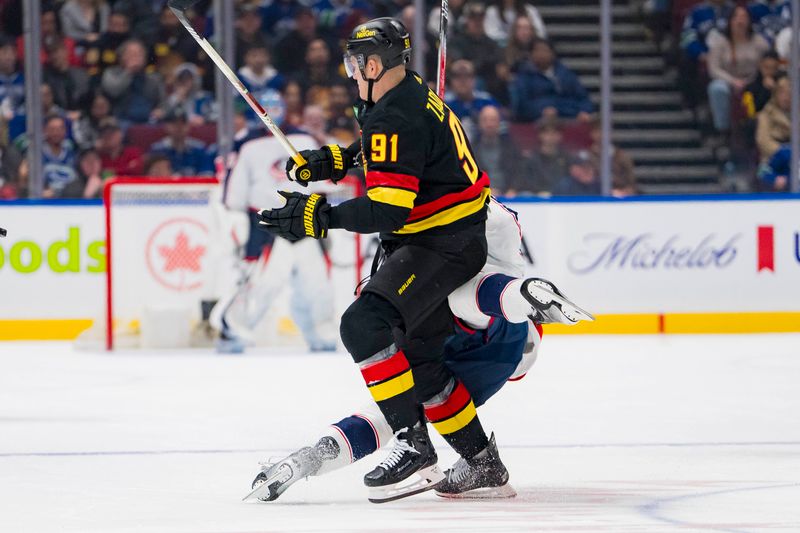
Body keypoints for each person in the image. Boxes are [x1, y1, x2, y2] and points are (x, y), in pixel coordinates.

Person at [260, 18, 501, 503]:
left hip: (440, 243)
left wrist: (318, 216)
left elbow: (389, 208)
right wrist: (338, 161)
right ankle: (481, 462)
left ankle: (414, 446)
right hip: (451, 237)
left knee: (364, 325)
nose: (350, 73)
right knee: (422, 360)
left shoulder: (394, 115)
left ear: (373, 63)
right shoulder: (404, 96)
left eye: (354, 63)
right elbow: (389, 150)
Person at [247, 197, 594, 502]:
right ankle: (520, 297)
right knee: (417, 390)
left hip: (495, 334)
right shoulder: (466, 201)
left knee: (404, 406)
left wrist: (328, 208)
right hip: (509, 330)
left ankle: (316, 458)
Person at [209, 110, 337, 354]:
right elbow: (234, 196)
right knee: (262, 283)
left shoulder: (304, 140)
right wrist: (239, 225)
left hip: (303, 220)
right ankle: (233, 330)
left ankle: (321, 333)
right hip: (268, 224)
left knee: (316, 281)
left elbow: (321, 186)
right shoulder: (248, 146)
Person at [706, 6, 769, 134]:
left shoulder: (759, 41)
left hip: (753, 81)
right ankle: (723, 129)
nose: (740, 21)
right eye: (737, 17)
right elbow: (714, 68)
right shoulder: (720, 42)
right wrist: (733, 81)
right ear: (730, 21)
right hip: (728, 81)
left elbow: (768, 61)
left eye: (744, 17)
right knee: (717, 88)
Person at [510, 39, 594, 123]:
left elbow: (583, 97)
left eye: (545, 50)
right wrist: (541, 111)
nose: (541, 54)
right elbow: (521, 105)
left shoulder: (565, 74)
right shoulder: (524, 76)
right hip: (536, 123)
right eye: (537, 50)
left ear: (552, 53)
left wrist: (584, 110)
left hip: (568, 118)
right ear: (531, 54)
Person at [101, 38, 164, 125]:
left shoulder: (153, 78)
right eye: (131, 55)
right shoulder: (111, 73)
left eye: (139, 55)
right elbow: (113, 91)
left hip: (148, 119)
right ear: (121, 57)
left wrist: (160, 111)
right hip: (120, 119)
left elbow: (163, 102)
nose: (135, 58)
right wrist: (128, 72)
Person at [444, 60, 499, 140]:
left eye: (467, 76)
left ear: (474, 79)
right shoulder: (444, 103)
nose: (462, 81)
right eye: (457, 76)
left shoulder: (486, 101)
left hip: (482, 149)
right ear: (451, 80)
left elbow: (502, 130)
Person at [473, 105, 521, 196]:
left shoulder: (511, 147)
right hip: (480, 196)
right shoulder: (471, 149)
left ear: (499, 123)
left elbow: (519, 171)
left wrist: (513, 189)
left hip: (509, 195)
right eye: (485, 120)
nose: (489, 124)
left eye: (493, 120)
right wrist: (485, 190)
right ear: (479, 124)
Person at [150, 107, 213, 176]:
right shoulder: (157, 150)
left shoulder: (199, 149)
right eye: (174, 123)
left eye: (183, 123)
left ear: (188, 125)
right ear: (166, 126)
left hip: (194, 186)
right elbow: (152, 178)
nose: (179, 127)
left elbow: (207, 175)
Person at [517, 116, 570, 195]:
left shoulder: (567, 158)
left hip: (561, 198)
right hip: (537, 198)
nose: (551, 137)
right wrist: (539, 192)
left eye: (554, 133)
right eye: (547, 133)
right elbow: (527, 181)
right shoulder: (531, 159)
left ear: (560, 136)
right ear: (540, 135)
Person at [41, 115, 78, 198]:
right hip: (45, 201)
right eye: (52, 129)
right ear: (45, 130)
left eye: (60, 129)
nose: (56, 133)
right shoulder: (37, 154)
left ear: (65, 131)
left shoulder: (72, 152)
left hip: (70, 200)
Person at [755, 74, 791, 161]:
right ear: (775, 94)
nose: (786, 97)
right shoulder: (766, 114)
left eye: (789, 93)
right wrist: (783, 151)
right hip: (773, 159)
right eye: (782, 93)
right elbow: (763, 141)